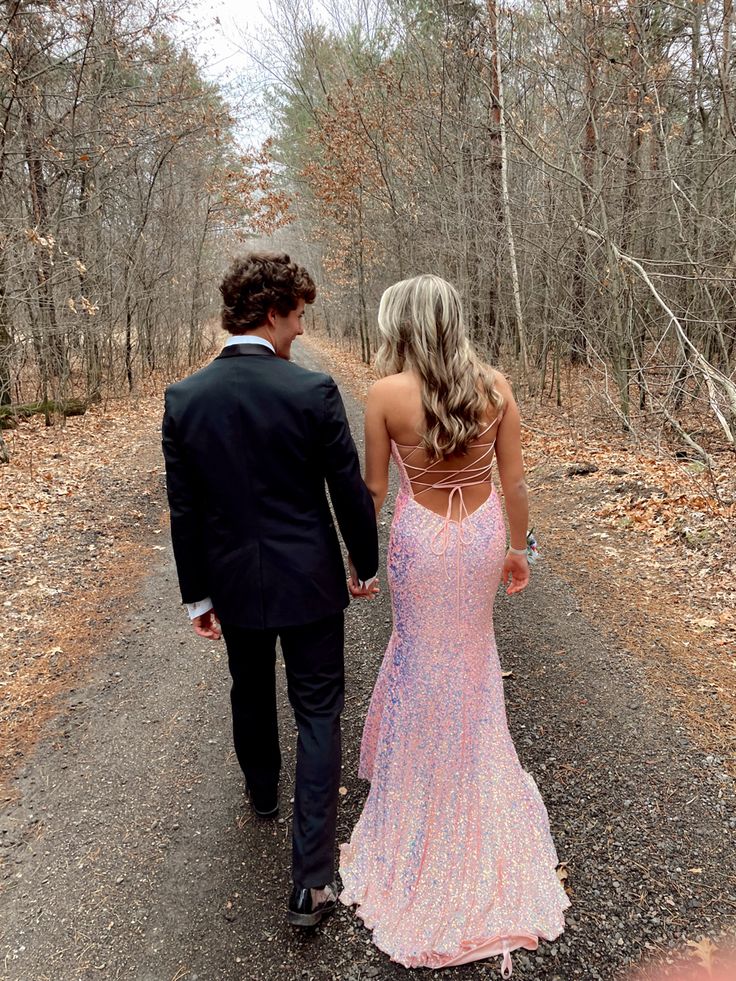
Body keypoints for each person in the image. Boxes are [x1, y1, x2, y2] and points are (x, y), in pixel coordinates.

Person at [339, 275, 569, 974]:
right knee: (470, 653)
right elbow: (516, 479)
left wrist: (362, 562)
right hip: (477, 540)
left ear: (403, 323)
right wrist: (518, 550)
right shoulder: (495, 386)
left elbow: (375, 490)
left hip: (420, 537)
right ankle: (471, 769)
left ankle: (420, 789)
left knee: (418, 654)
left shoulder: (384, 394)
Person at [162, 251, 379, 927]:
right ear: (272, 311)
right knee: (318, 710)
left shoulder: (186, 399)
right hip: (308, 579)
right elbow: (347, 489)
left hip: (233, 583)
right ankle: (311, 880)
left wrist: (198, 595)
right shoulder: (310, 392)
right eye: (298, 315)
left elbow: (186, 509)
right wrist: (363, 562)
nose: (301, 330)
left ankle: (262, 794)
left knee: (248, 686)